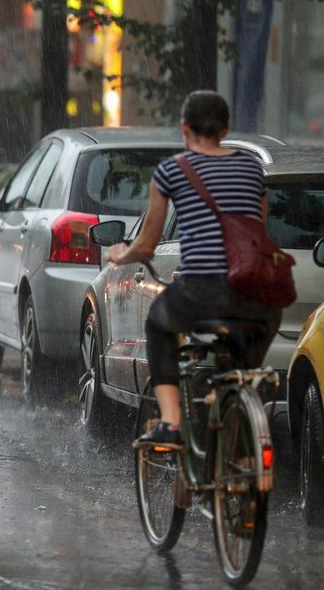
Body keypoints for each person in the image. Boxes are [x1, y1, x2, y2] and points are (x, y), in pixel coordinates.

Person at [104, 90, 282, 447]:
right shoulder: (251, 168)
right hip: (259, 297)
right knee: (243, 348)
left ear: (185, 129)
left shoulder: (172, 171)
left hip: (204, 291)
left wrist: (120, 254)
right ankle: (237, 394)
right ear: (226, 128)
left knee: (158, 322)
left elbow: (148, 244)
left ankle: (171, 423)